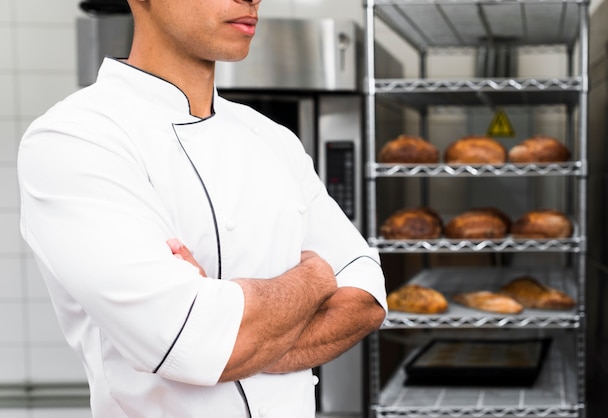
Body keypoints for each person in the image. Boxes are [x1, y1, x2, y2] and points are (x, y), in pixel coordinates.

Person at [17, 0, 387, 417]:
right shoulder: (76, 139)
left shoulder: (270, 137)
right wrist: (315, 277)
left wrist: (243, 337)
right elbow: (192, 339)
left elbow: (366, 298)